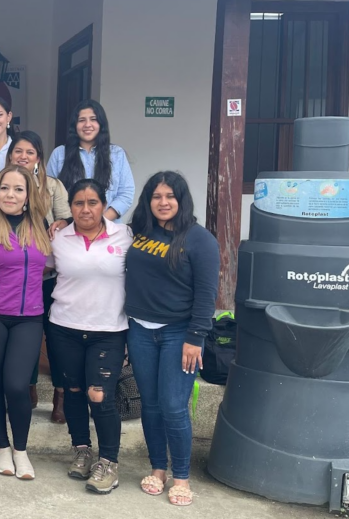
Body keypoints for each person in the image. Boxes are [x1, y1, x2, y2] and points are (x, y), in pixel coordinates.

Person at [126, 171, 219, 507]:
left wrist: (196, 337)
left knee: (174, 407)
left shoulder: (199, 239)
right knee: (149, 405)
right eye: (156, 197)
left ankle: (181, 476)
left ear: (181, 200)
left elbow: (207, 294)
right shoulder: (140, 232)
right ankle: (158, 468)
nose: (163, 203)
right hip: (139, 330)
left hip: (180, 334)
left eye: (169, 196)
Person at [48, 179, 133, 494]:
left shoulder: (124, 236)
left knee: (99, 395)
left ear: (103, 204)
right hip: (64, 326)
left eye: (92, 202)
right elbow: (40, 269)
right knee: (72, 389)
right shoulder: (58, 236)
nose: (85, 209)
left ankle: (109, 462)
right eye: (78, 203)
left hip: (108, 330)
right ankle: (81, 450)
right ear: (70, 207)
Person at [0, 165, 52, 480]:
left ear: (28, 196)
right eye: (5, 188)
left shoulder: (40, 225)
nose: (10, 195)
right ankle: (2, 446)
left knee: (17, 385)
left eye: (18, 189)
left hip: (29, 318)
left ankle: (21, 450)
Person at [6, 129, 72, 422]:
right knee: (25, 335)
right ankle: (28, 386)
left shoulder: (53, 186)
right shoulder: (3, 184)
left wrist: (59, 221)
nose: (23, 157)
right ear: (10, 156)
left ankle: (60, 393)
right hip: (16, 273)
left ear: (38, 158)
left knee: (53, 335)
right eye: (18, 152)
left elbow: (66, 218)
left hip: (47, 272)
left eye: (29, 152)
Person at [47, 99, 134, 222]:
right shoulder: (59, 154)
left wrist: (102, 220)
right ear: (75, 125)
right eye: (82, 120)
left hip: (109, 228)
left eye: (93, 119)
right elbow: (50, 193)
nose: (87, 125)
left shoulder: (116, 154)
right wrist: (68, 221)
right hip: (69, 227)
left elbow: (126, 193)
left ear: (101, 124)